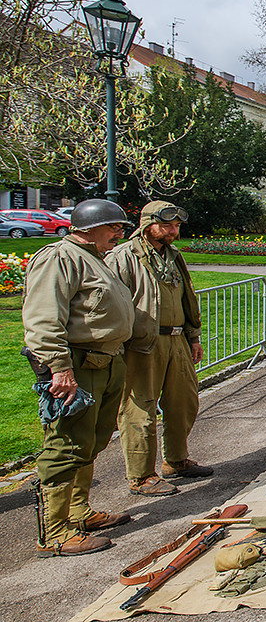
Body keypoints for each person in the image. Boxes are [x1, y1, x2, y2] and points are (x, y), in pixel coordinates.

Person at [23, 199, 135, 557]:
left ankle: (77, 512)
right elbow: (43, 319)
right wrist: (59, 367)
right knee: (66, 445)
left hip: (104, 362)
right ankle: (54, 533)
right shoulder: (60, 258)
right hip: (77, 365)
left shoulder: (94, 258)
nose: (119, 233)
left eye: (120, 227)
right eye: (113, 227)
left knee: (90, 442)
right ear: (89, 227)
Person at [107, 201, 210, 498]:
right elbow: (111, 304)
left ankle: (176, 460)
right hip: (141, 344)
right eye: (166, 226)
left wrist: (193, 336)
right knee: (139, 410)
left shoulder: (173, 255)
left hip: (177, 339)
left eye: (176, 226)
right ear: (147, 225)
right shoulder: (124, 257)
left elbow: (186, 297)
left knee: (184, 402)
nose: (173, 231)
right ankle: (141, 476)